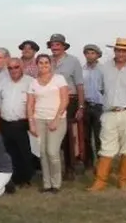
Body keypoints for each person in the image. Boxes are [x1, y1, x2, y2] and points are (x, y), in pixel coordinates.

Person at [89, 38, 126, 192]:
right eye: (118, 50)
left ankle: (123, 180)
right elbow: (102, 89)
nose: (121, 53)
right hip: (110, 112)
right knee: (106, 146)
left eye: (125, 50)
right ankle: (100, 181)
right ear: (114, 50)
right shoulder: (105, 68)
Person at [27, 54, 69, 193]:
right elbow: (30, 104)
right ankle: (47, 184)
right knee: (43, 152)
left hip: (57, 119)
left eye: (46, 62)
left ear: (51, 64)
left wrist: (56, 119)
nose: (44, 65)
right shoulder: (33, 83)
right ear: (36, 65)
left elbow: (65, 100)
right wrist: (31, 123)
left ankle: (56, 183)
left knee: (52, 151)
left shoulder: (59, 79)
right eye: (41, 63)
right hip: (39, 119)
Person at [47, 33, 85, 180]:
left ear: (64, 46)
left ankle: (70, 168)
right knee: (55, 136)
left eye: (58, 45)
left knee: (70, 136)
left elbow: (80, 85)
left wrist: (81, 106)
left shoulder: (73, 61)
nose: (55, 47)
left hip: (70, 100)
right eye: (52, 45)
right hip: (52, 102)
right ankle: (55, 169)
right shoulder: (47, 61)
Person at [0, 58, 35, 187]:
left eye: (16, 67)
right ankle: (12, 178)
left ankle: (25, 178)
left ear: (21, 67)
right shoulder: (3, 82)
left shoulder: (30, 82)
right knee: (9, 152)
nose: (13, 70)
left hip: (22, 123)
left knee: (24, 152)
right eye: (10, 68)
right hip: (5, 123)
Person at [82, 44, 105, 170]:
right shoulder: (82, 69)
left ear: (97, 55)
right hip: (86, 105)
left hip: (99, 106)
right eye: (87, 53)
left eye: (93, 53)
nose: (90, 55)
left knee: (99, 137)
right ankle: (88, 163)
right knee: (85, 137)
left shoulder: (103, 69)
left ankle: (101, 164)